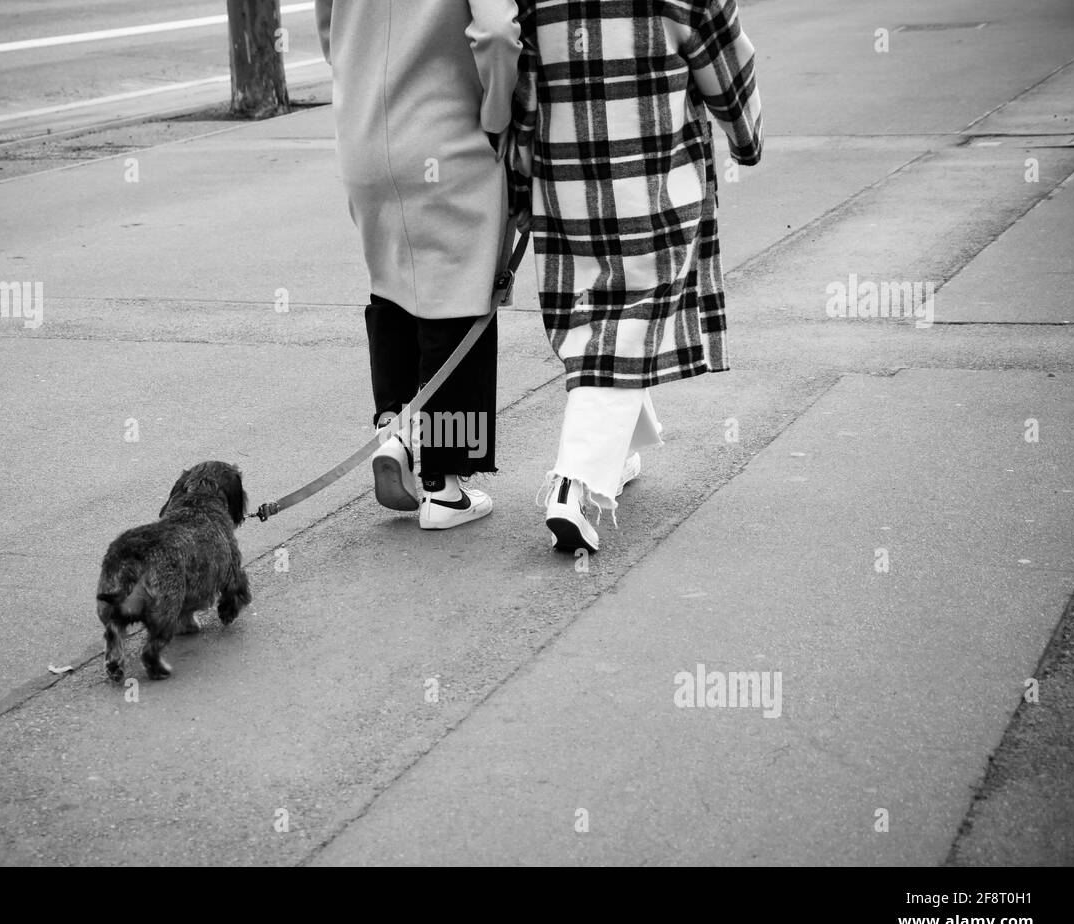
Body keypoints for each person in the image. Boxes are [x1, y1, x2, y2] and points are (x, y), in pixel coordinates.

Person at [509, 0, 764, 552]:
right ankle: (574, 482)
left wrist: (517, 185)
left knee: (601, 316)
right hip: (657, 184)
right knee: (630, 323)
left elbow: (523, 96)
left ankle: (620, 451)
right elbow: (727, 68)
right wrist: (747, 141)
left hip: (566, 186)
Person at [316, 0, 522, 530]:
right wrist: (498, 114)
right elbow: (498, 32)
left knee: (392, 282)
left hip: (364, 135)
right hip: (444, 133)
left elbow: (326, 26)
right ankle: (444, 485)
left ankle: (398, 432)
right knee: (459, 292)